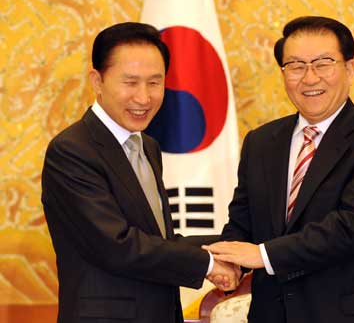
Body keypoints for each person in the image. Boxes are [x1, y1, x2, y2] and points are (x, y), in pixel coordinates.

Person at [204, 16, 354, 323]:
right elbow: (243, 222)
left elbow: (350, 228)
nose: (310, 78)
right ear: (284, 73)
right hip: (271, 314)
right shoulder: (261, 141)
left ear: (349, 69)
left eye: (323, 63)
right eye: (296, 66)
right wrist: (226, 263)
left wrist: (261, 255)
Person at [41, 22, 240, 323]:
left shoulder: (147, 146)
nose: (144, 98)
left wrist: (233, 247)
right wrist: (207, 263)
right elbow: (117, 245)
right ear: (97, 80)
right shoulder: (72, 151)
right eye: (130, 82)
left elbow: (157, 238)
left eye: (154, 83)